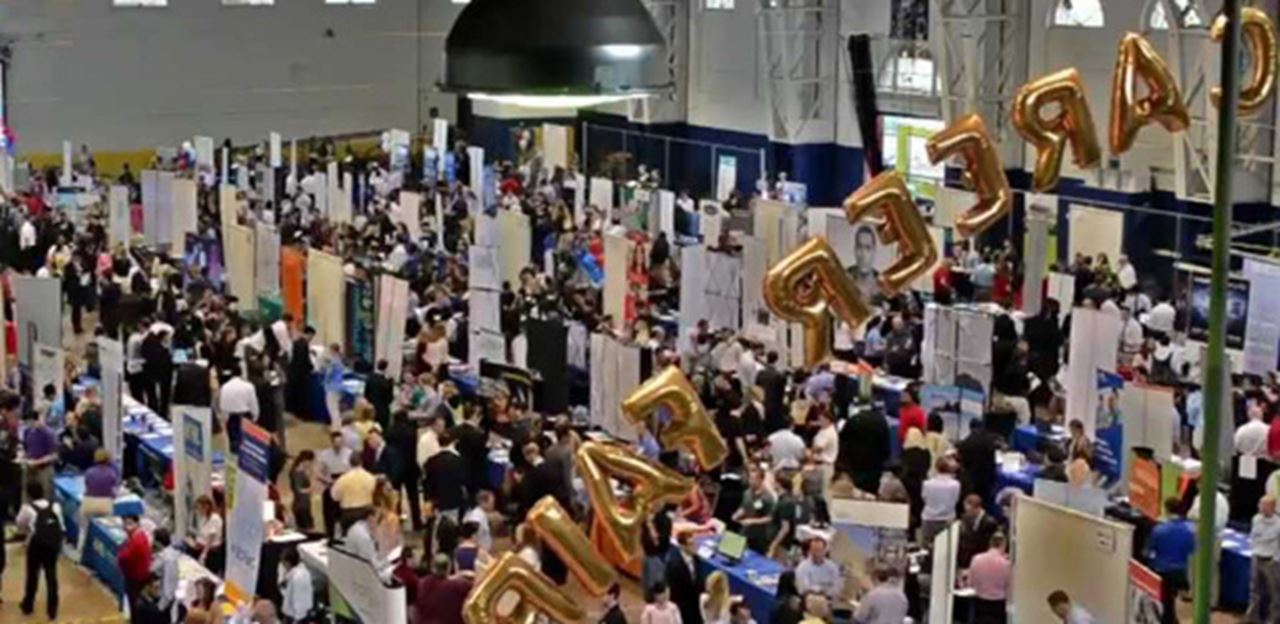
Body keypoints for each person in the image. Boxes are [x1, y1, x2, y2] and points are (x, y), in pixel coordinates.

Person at [1145, 497, 1196, 624]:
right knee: (1172, 597)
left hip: (1161, 570)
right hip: (1179, 570)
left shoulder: (1159, 530)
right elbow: (1192, 549)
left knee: (1164, 599)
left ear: (1166, 509)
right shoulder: (1189, 529)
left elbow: (1148, 550)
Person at [17, 482, 62, 620]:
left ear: (29, 495)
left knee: (32, 575)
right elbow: (61, 524)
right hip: (52, 545)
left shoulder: (27, 508)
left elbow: (19, 524)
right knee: (51, 575)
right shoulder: (55, 506)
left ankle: (28, 605)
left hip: (36, 545)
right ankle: (52, 609)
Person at [78, 448, 121, 550]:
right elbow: (114, 491)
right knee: (105, 530)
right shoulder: (112, 474)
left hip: (89, 504)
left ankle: (79, 552)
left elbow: (87, 486)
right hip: (105, 505)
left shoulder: (89, 472)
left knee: (83, 530)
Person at [424, 429, 468, 523]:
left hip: (437, 501)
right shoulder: (458, 460)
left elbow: (428, 483)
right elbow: (463, 480)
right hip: (454, 499)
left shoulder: (431, 461)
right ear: (452, 443)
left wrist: (429, 499)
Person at [1249, 496, 1280, 624]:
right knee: (1254, 590)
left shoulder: (1278, 524)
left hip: (1271, 562)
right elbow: (1254, 537)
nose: (1260, 507)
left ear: (1273, 507)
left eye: (1264, 505)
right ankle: (1253, 617)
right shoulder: (1256, 519)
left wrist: (1275, 560)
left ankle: (1273, 619)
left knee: (1274, 593)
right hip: (1257, 558)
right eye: (1260, 504)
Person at [316, 430, 353, 539]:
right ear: (332, 442)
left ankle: (345, 535)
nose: (338, 445)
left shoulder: (349, 453)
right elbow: (318, 472)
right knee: (329, 514)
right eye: (336, 442)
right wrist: (327, 480)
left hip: (345, 484)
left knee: (344, 512)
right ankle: (330, 535)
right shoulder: (324, 455)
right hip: (330, 483)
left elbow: (352, 470)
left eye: (340, 442)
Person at [968, 533, 1011, 624]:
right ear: (1003, 545)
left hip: (980, 604)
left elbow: (970, 583)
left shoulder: (976, 559)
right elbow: (1009, 587)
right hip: (999, 606)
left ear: (990, 544)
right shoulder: (1007, 564)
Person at [733, 466, 775, 553]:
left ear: (761, 479)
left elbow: (770, 518)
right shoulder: (747, 493)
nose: (750, 481)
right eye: (750, 478)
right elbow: (744, 507)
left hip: (759, 537)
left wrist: (752, 521)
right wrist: (737, 514)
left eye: (753, 479)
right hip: (745, 532)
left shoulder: (767, 497)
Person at [117, 513, 153, 614]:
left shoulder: (137, 540)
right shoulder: (137, 536)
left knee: (134, 605)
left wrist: (121, 553)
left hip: (136, 578)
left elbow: (124, 557)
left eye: (129, 524)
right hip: (137, 576)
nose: (126, 527)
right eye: (125, 524)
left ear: (137, 524)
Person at [332, 453, 377, 533]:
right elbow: (372, 490)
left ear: (350, 463)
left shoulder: (343, 479)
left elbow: (335, 496)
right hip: (366, 510)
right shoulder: (370, 477)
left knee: (349, 537)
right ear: (362, 462)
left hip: (349, 512)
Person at [921, 458, 961, 545]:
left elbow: (924, 498)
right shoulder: (955, 484)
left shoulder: (927, 484)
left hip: (929, 518)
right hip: (948, 518)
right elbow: (956, 499)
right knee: (946, 547)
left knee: (928, 546)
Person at [666, 532, 703, 624]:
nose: (695, 546)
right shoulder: (674, 564)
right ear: (682, 546)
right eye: (691, 544)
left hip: (695, 604)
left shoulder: (696, 558)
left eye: (695, 543)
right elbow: (674, 590)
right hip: (682, 606)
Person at [21, 408, 57, 500]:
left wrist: (37, 462)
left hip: (44, 469)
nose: (30, 425)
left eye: (31, 422)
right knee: (27, 495)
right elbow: (26, 448)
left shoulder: (49, 434)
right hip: (29, 468)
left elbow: (53, 455)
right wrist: (23, 457)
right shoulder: (27, 431)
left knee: (45, 496)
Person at [957, 493, 999, 568]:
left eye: (969, 510)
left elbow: (987, 544)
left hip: (982, 560)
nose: (967, 513)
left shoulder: (989, 523)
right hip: (967, 559)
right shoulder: (966, 518)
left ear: (977, 508)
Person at [151, 527, 183, 623]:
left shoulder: (166, 558)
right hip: (167, 600)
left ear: (158, 542)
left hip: (165, 603)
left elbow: (168, 586)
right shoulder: (170, 554)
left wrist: (161, 607)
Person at [643, 502, 674, 596]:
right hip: (647, 555)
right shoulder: (648, 517)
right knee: (647, 585)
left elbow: (657, 542)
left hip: (658, 557)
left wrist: (650, 526)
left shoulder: (665, 520)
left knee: (655, 588)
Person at [185, 495, 224, 570]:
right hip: (200, 547)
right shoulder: (203, 518)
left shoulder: (215, 519)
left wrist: (204, 554)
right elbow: (202, 534)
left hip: (210, 553)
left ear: (206, 507)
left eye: (199, 508)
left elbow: (211, 538)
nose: (198, 510)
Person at [286, 326, 316, 422]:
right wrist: (311, 368)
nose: (312, 338)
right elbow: (304, 361)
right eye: (312, 336)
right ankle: (303, 415)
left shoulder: (296, 343)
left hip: (294, 374)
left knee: (297, 395)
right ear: (309, 334)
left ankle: (297, 413)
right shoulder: (304, 344)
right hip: (301, 375)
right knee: (302, 396)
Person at [280, 547, 314, 623]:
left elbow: (299, 599)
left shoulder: (298, 577)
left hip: (295, 617)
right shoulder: (303, 573)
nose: (283, 566)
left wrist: (297, 619)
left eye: (283, 563)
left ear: (288, 562)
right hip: (296, 614)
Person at [364, 359, 396, 428]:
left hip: (371, 408)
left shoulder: (370, 378)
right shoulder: (388, 382)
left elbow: (366, 394)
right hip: (383, 410)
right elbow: (390, 398)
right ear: (386, 368)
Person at [290, 450, 317, 531]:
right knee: (307, 529)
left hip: (304, 504)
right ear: (305, 461)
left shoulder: (301, 472)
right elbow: (298, 490)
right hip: (301, 505)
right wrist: (310, 489)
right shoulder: (297, 473)